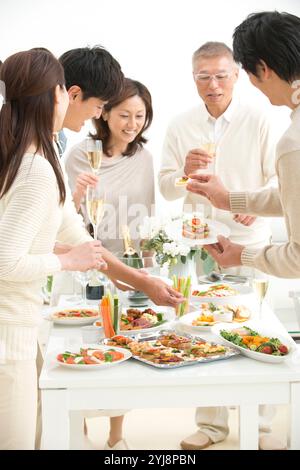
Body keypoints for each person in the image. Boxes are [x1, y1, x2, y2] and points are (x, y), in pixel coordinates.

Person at [158, 41, 284, 450]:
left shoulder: (261, 118)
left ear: (236, 75)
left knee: (257, 327)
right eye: (203, 76)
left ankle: (261, 428)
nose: (213, 84)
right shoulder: (180, 125)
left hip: (250, 242)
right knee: (202, 330)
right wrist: (184, 173)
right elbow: (166, 187)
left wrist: (255, 207)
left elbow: (279, 181)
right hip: (199, 244)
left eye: (221, 75)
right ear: (193, 78)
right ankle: (212, 427)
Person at [0, 48, 107, 450]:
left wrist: (54, 246)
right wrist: (66, 260)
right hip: (9, 340)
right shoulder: (36, 168)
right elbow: (5, 261)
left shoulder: (18, 154)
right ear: (58, 94)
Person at [187, 12, 300, 278]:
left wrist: (243, 255)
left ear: (262, 69)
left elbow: (298, 258)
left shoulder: (293, 143)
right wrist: (229, 200)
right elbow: (291, 195)